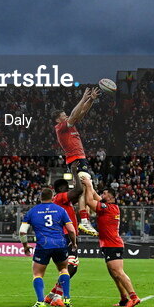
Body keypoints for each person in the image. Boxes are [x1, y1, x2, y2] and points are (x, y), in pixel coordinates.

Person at [52, 88, 101, 236]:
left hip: (81, 158)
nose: (66, 117)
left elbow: (81, 112)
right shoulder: (60, 127)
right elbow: (74, 114)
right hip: (75, 159)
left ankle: (88, 217)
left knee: (87, 186)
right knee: (85, 184)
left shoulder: (70, 125)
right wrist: (83, 98)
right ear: (58, 119)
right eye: (63, 116)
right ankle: (85, 220)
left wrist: (91, 100)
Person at [20, 187, 77, 307]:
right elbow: (71, 230)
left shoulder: (32, 211)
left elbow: (22, 232)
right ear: (52, 197)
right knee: (63, 270)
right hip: (60, 244)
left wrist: (25, 246)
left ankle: (41, 302)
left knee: (38, 274)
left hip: (43, 245)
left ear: (40, 197)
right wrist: (74, 243)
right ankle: (66, 299)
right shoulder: (60, 210)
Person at [85, 182, 140, 307]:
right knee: (114, 275)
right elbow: (93, 194)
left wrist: (88, 186)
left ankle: (134, 297)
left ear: (110, 197)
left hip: (112, 244)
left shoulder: (107, 208)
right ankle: (124, 299)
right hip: (109, 244)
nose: (101, 195)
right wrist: (89, 183)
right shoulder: (110, 206)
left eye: (104, 194)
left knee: (118, 272)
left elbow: (89, 200)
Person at [43, 174, 93, 302]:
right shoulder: (60, 197)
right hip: (66, 236)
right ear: (60, 188)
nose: (68, 189)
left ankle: (51, 295)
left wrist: (87, 185)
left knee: (69, 266)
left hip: (63, 236)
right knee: (71, 266)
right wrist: (75, 171)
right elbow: (78, 191)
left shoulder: (64, 201)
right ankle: (57, 296)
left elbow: (80, 194)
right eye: (66, 187)